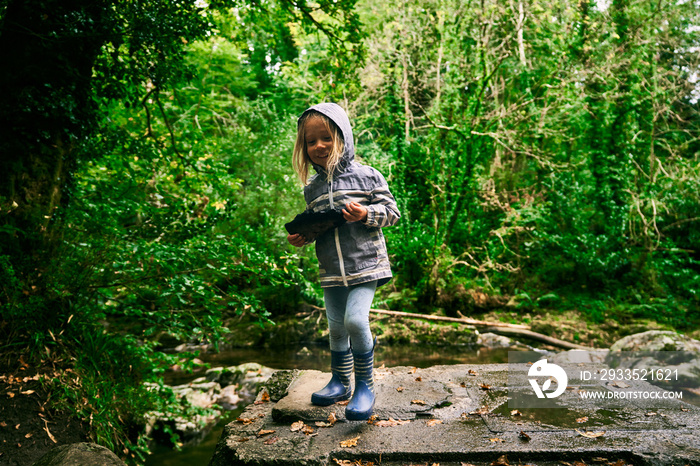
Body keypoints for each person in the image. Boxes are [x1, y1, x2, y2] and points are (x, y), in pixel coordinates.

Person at [287, 103, 400, 420]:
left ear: (343, 137)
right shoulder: (313, 190)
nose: (319, 146)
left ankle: (365, 385)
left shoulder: (367, 176)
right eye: (311, 142)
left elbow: (392, 213)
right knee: (336, 327)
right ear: (304, 147)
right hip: (331, 270)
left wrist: (366, 214)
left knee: (354, 321)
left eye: (326, 138)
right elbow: (316, 226)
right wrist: (303, 236)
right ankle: (340, 381)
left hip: (366, 265)